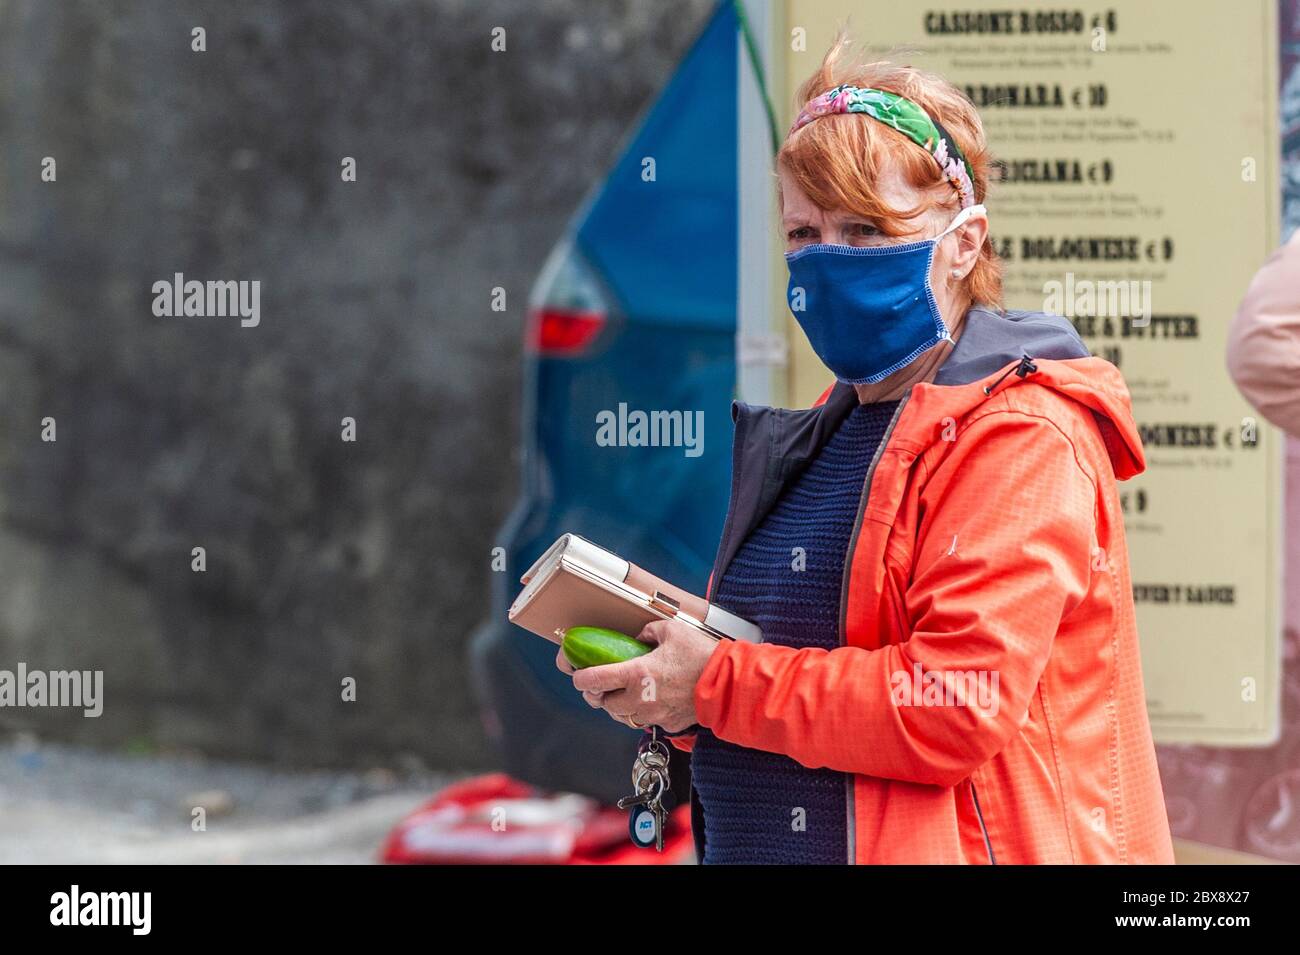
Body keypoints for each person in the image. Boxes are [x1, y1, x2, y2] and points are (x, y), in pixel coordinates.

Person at [558, 37, 1174, 864]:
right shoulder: (834, 425)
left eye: (865, 227)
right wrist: (675, 674)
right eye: (804, 231)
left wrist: (715, 681)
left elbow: (948, 705)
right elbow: (804, 700)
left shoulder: (1023, 434)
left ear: (964, 241)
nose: (827, 258)